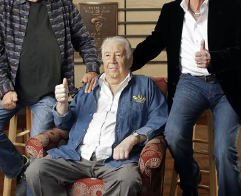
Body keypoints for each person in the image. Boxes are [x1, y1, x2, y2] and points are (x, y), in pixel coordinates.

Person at [0, 0, 101, 196]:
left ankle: (29, 185)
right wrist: (5, 87)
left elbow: (84, 40)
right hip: (12, 89)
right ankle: (18, 168)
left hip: (49, 94)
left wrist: (92, 68)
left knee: (38, 149)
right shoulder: (5, 5)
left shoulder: (61, 2)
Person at [131, 0, 241, 196]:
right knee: (174, 134)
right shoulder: (171, 11)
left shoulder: (233, 6)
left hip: (227, 84)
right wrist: (123, 63)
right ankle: (190, 182)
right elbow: (152, 44)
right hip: (190, 84)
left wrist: (214, 58)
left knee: (224, 149)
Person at [25, 36, 168, 196]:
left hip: (117, 161)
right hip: (75, 156)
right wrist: (62, 104)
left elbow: (160, 119)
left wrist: (134, 137)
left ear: (130, 59)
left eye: (118, 55)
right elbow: (64, 124)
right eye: (107, 55)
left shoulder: (145, 86)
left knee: (128, 181)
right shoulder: (90, 87)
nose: (112, 60)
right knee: (35, 171)